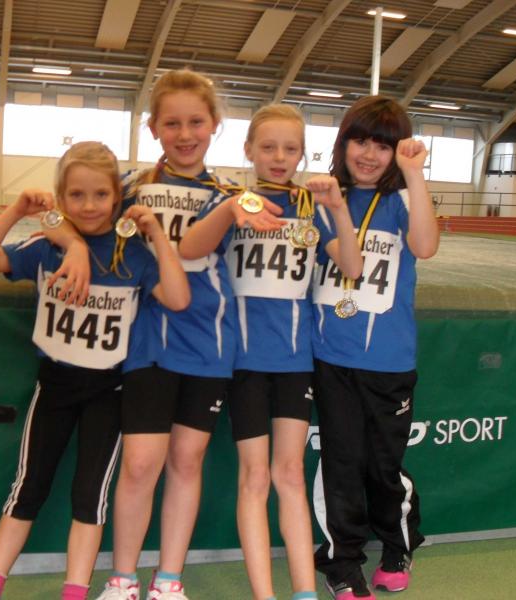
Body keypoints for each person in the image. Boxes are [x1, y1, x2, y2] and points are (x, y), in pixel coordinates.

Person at [0, 141, 190, 600]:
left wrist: (157, 236)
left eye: (101, 195)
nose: (89, 206)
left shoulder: (132, 255)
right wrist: (17, 211)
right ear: (61, 197)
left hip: (109, 392)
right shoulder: (46, 247)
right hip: (55, 386)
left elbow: (178, 298)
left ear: (116, 197)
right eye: (77, 195)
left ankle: (74, 591)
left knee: (90, 497)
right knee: (28, 487)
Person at [45, 69, 240, 600]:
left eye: (196, 122)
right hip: (144, 345)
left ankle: (169, 579)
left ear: (214, 125)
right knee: (138, 465)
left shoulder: (231, 195)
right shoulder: (130, 185)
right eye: (172, 123)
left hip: (207, 347)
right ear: (153, 127)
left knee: (186, 462)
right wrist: (76, 245)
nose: (185, 134)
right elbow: (57, 214)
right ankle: (123, 578)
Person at [180, 104, 362, 600]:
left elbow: (351, 266)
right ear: (248, 150)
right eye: (268, 147)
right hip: (241, 364)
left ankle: (304, 592)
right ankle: (265, 594)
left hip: (294, 362)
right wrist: (227, 211)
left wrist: (339, 208)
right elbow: (189, 249)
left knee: (290, 475)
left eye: (290, 149)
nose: (279, 157)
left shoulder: (312, 206)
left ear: (303, 154)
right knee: (255, 477)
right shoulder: (231, 201)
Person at [309, 95, 439, 600]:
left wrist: (414, 174)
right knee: (340, 463)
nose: (369, 154)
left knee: (383, 467)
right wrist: (336, 206)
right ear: (343, 144)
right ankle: (342, 563)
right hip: (332, 358)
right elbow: (344, 263)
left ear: (396, 152)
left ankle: (398, 545)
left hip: (389, 362)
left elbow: (425, 246)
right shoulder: (324, 199)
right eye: (360, 142)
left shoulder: (403, 198)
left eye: (382, 146)